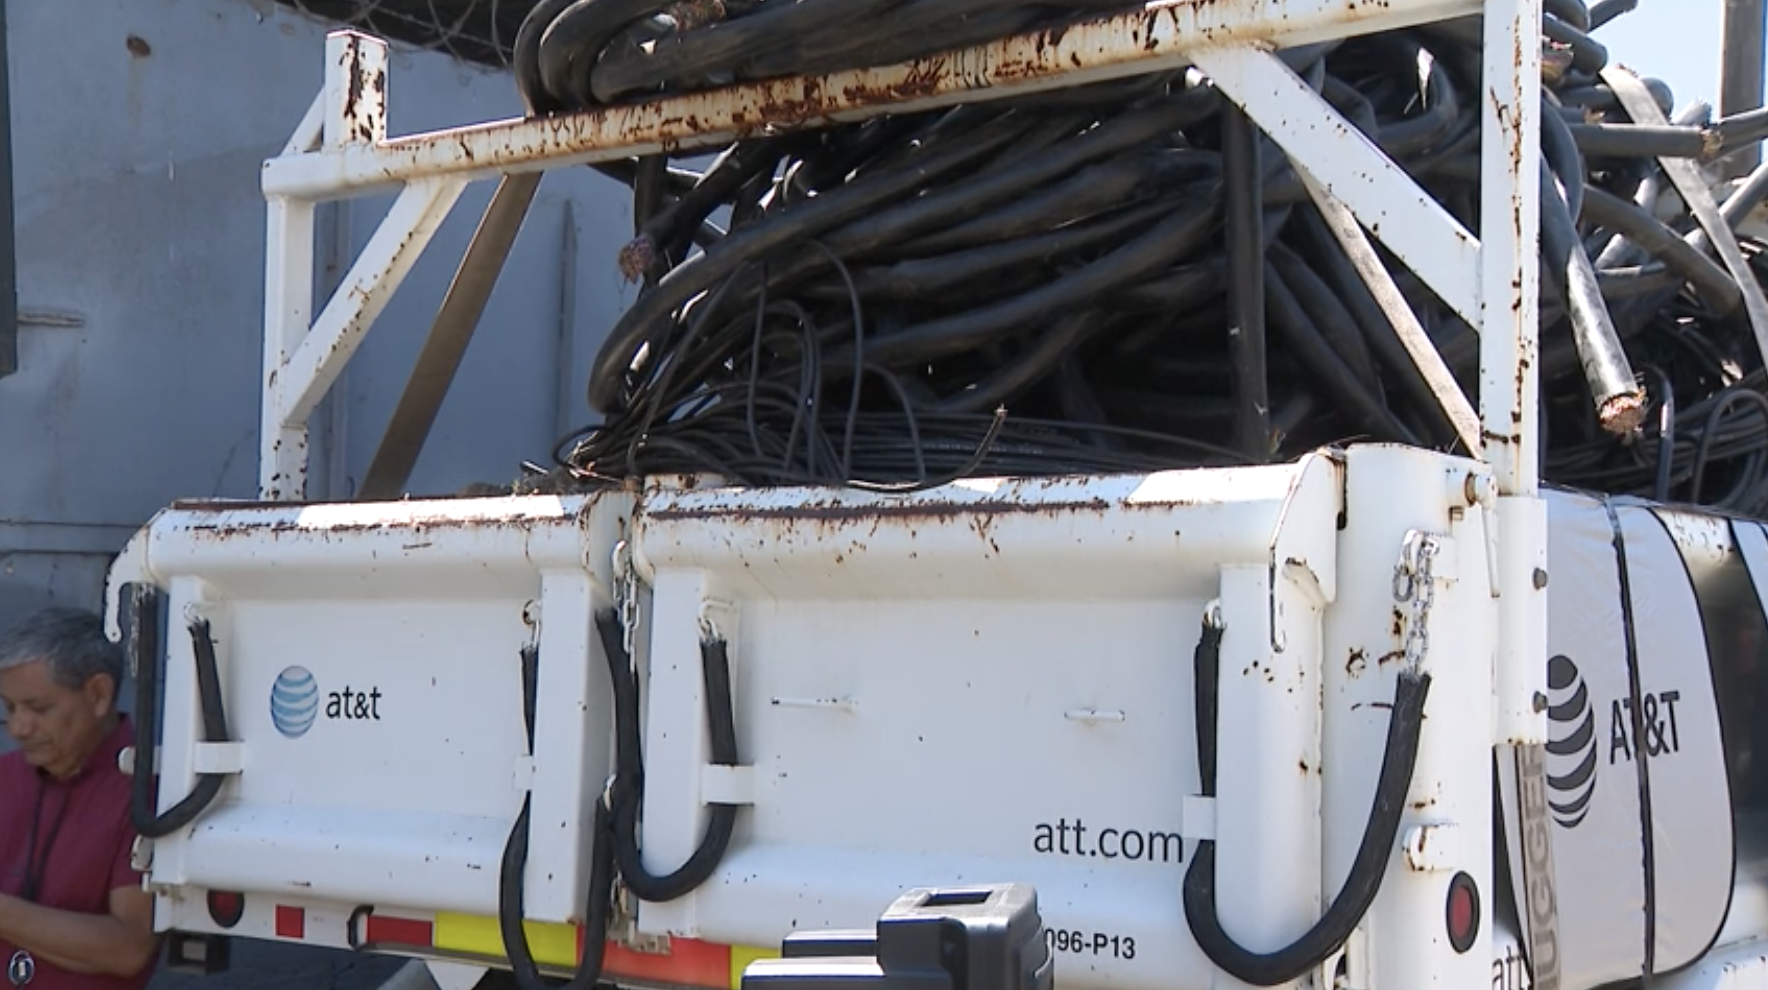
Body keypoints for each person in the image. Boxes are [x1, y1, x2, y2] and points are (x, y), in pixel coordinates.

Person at [0, 609, 159, 989]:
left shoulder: (147, 794)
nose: (18, 728)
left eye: (39, 708)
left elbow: (129, 947)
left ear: (98, 695)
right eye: (9, 707)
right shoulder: (6, 774)